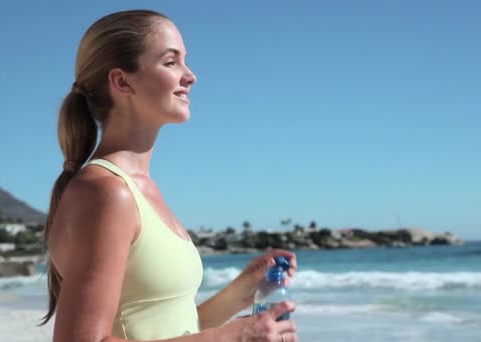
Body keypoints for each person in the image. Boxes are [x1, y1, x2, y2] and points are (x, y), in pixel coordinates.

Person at [42, 9, 298, 342]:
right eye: (171, 62)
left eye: (184, 61)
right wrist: (232, 337)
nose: (190, 76)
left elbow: (169, 328)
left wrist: (240, 292)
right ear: (122, 81)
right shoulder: (106, 191)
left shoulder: (139, 188)